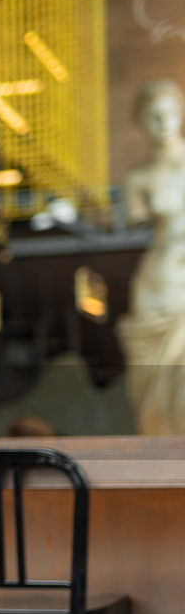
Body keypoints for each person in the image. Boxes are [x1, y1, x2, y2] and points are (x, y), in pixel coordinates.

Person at [118, 80, 185, 434]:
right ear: (142, 123)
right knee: (151, 382)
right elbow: (137, 223)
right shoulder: (139, 179)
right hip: (159, 284)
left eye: (169, 113)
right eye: (153, 117)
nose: (163, 123)